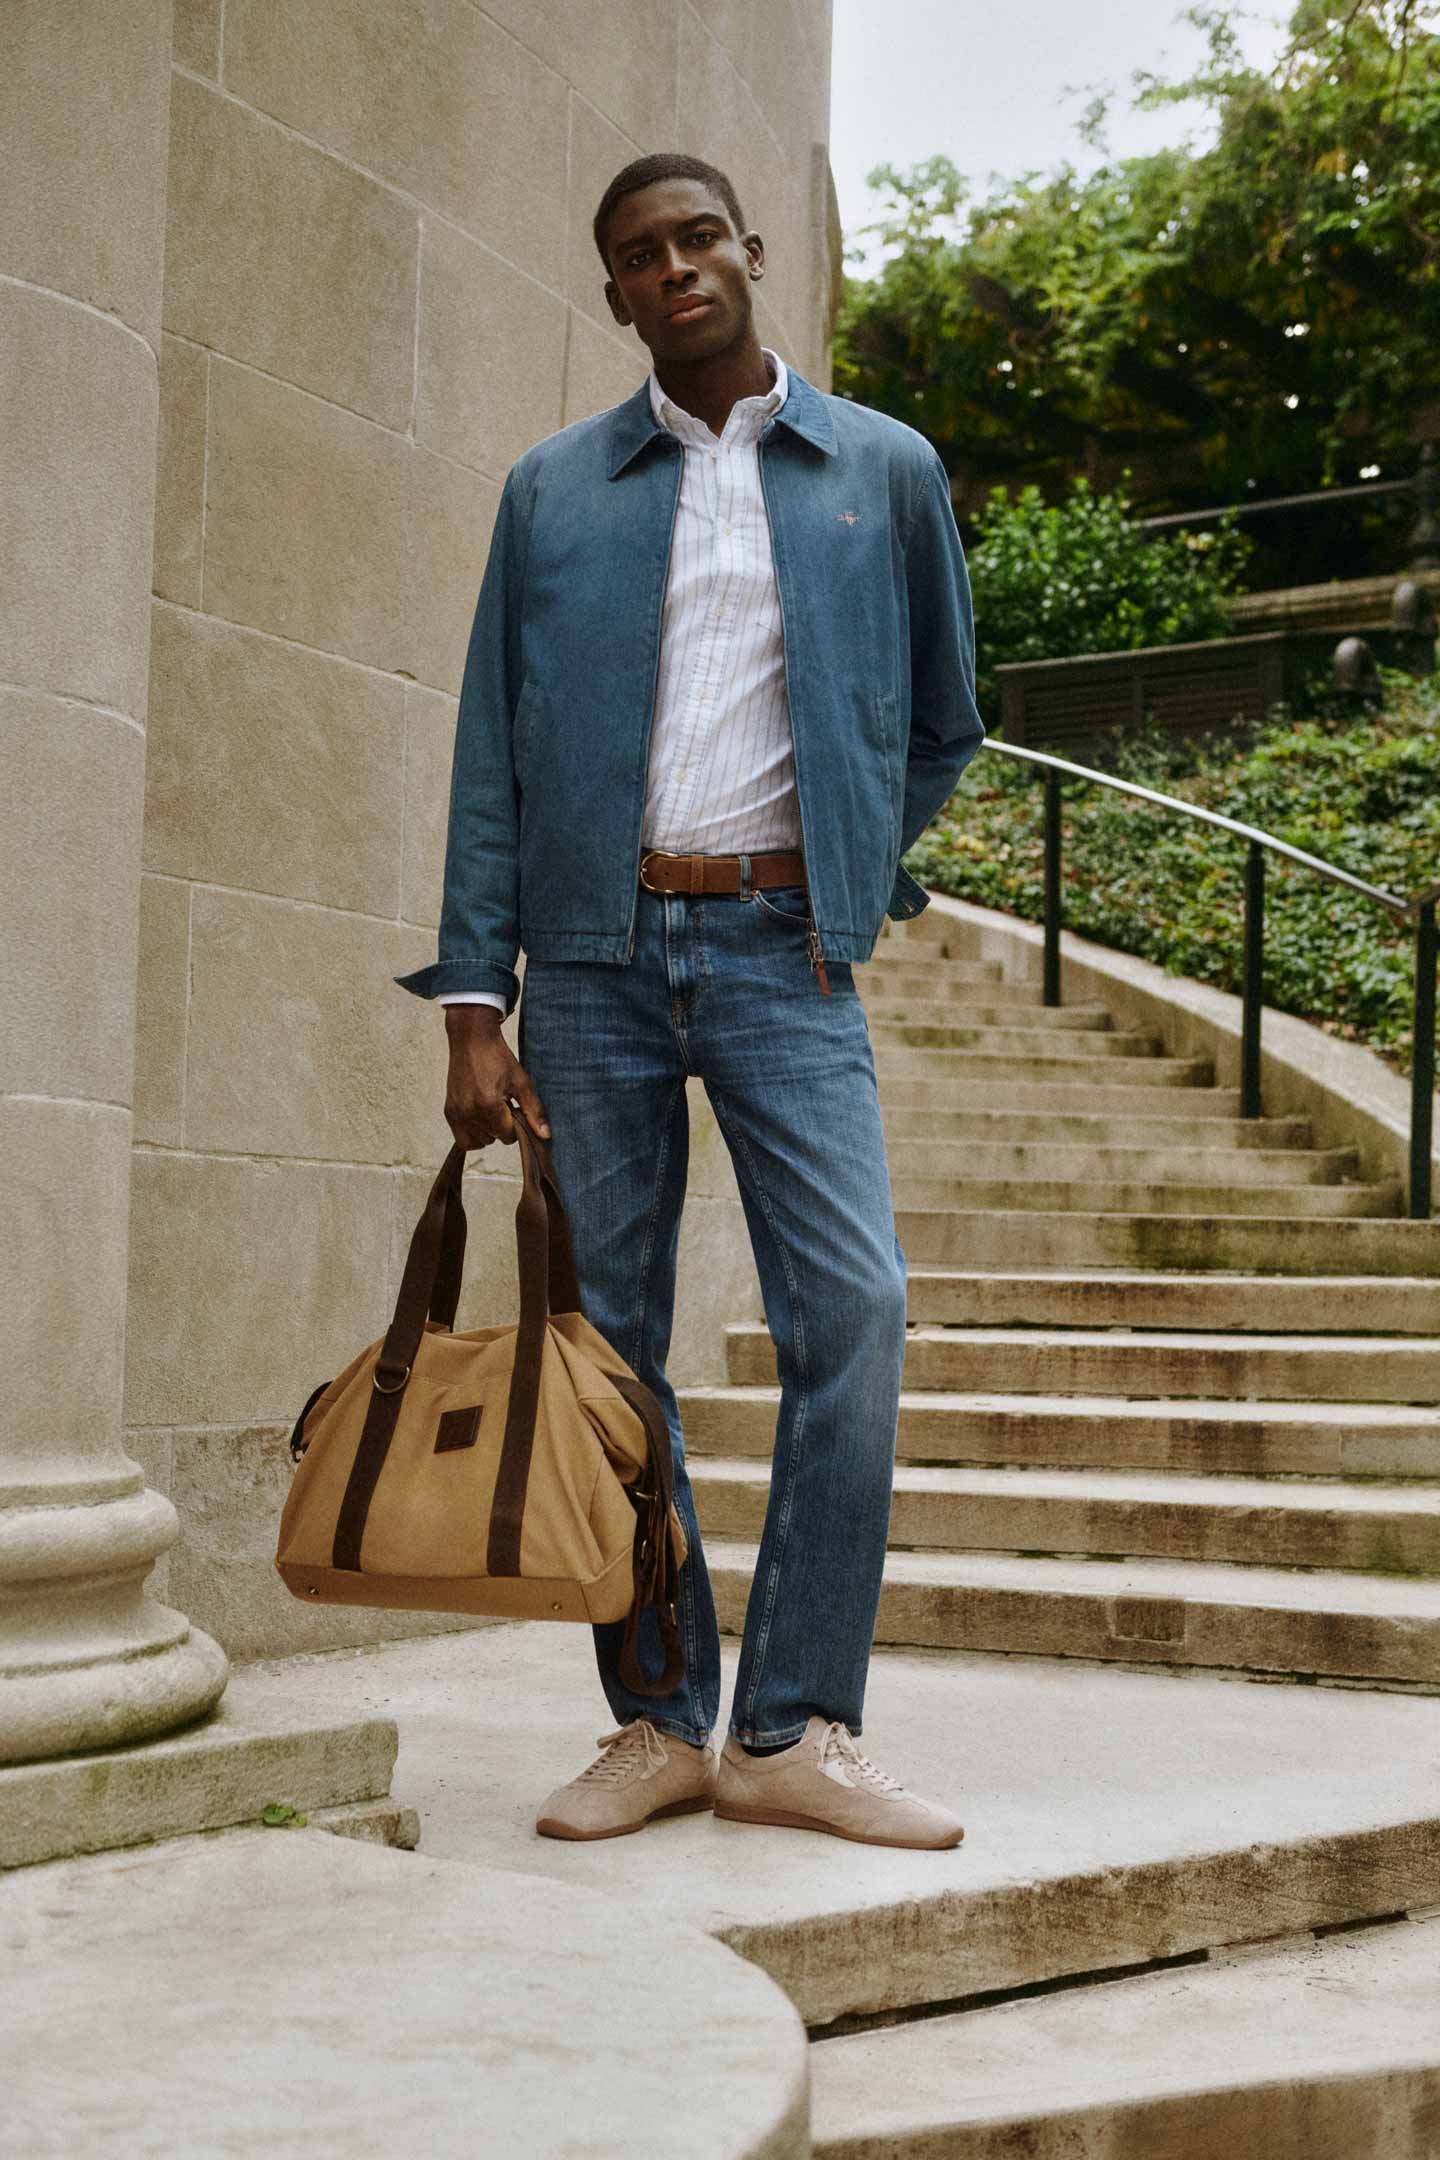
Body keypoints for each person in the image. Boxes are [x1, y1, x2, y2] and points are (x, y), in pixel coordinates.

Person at [397, 151, 985, 1850]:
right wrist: (470, 1005)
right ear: (615, 296)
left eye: (697, 240)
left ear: (747, 253)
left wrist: (856, 865)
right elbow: (489, 757)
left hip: (784, 953)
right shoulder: (553, 492)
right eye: (638, 257)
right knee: (611, 1346)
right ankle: (655, 1717)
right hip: (586, 963)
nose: (675, 271)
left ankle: (794, 1726)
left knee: (853, 1312)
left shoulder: (883, 469)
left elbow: (944, 718)